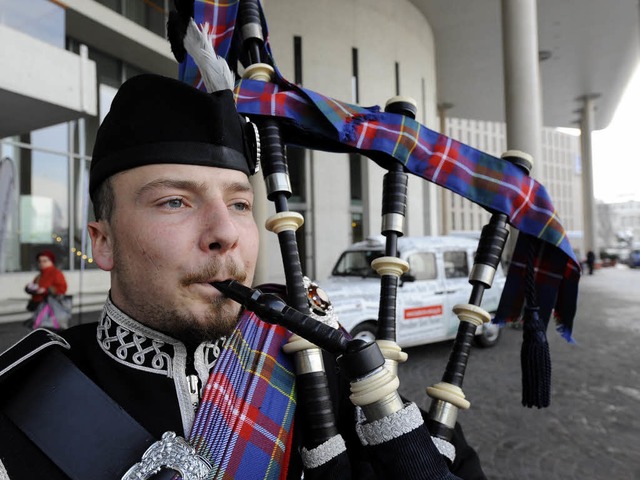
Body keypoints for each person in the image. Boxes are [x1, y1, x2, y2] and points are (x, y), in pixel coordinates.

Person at [0, 75, 484, 479]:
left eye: (239, 204)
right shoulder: (25, 397)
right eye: (175, 201)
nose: (225, 233)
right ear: (102, 242)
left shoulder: (317, 367)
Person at [24, 250, 68, 327]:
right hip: (38, 305)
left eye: (45, 261)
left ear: (51, 261)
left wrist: (47, 290)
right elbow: (34, 286)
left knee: (42, 328)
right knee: (40, 328)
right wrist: (29, 288)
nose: (42, 263)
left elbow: (62, 288)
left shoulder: (56, 273)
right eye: (40, 261)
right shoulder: (39, 275)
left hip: (50, 306)